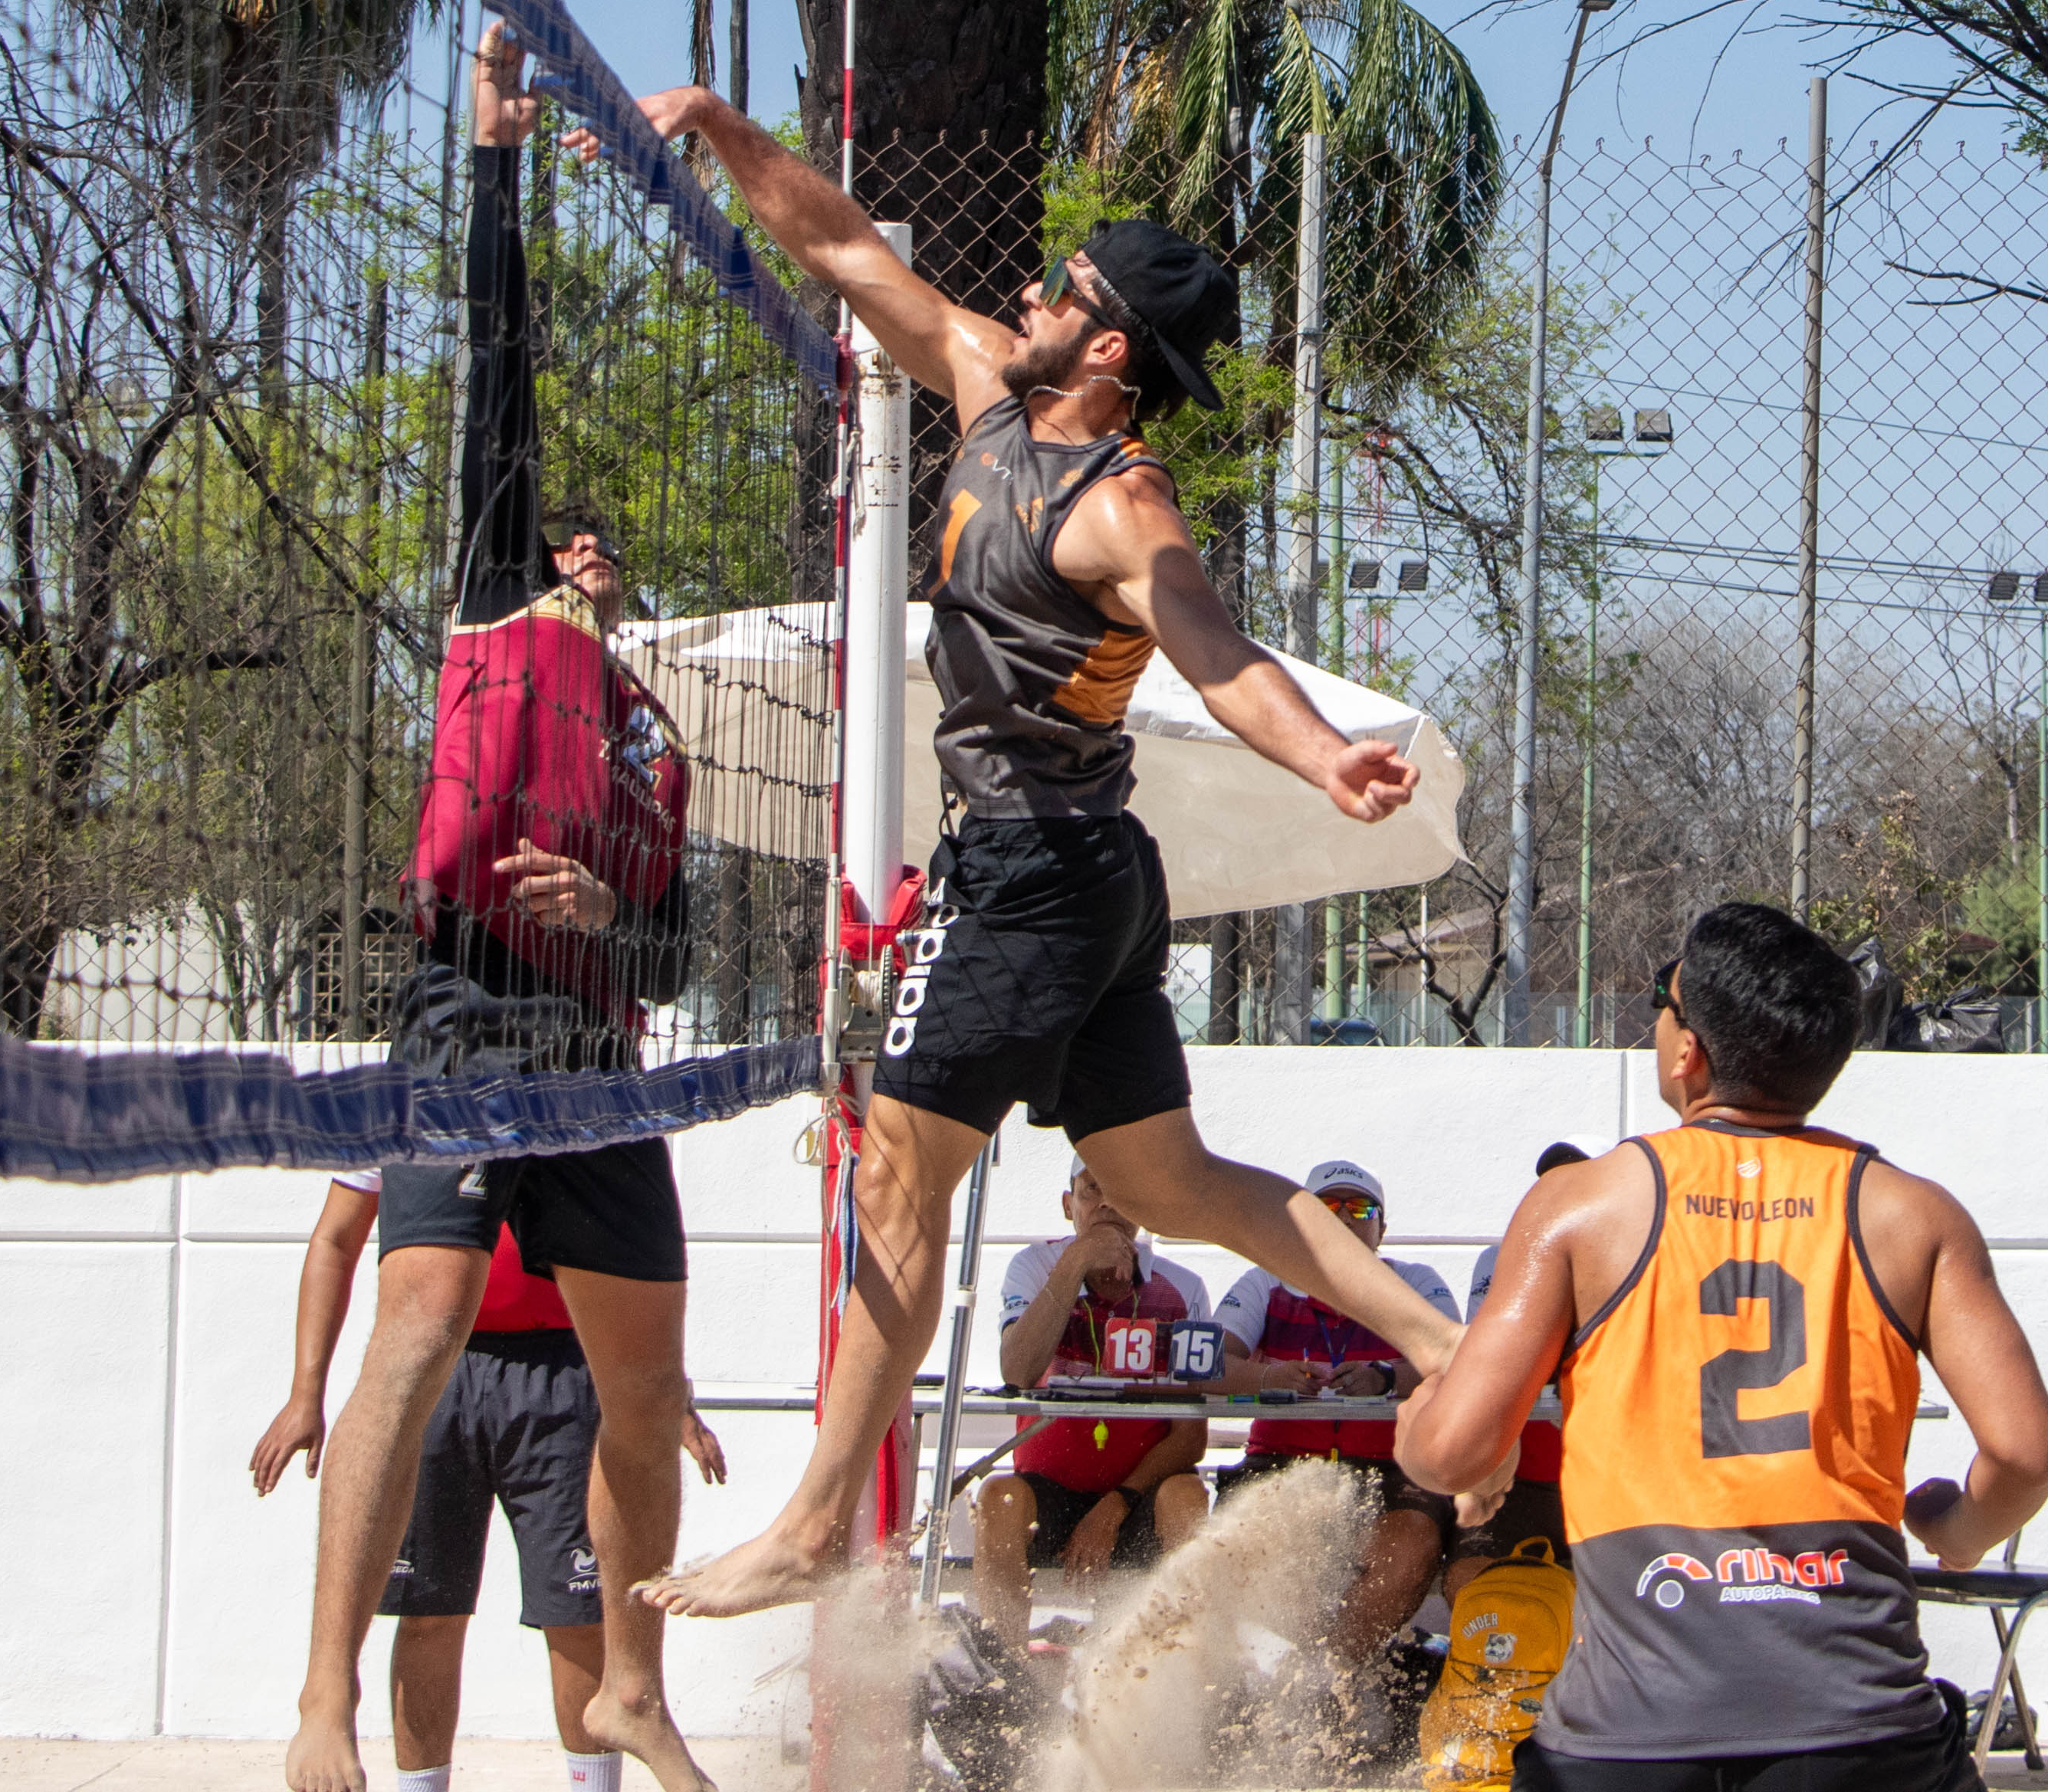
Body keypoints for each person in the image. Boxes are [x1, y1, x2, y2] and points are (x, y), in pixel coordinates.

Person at [615, 85, 1459, 1620]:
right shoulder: (989, 390)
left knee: (895, 1177)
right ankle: (1441, 1341)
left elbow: (1217, 654)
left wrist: (1327, 752)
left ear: (1112, 345)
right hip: (1086, 868)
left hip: (1031, 867)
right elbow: (847, 249)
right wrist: (730, 132)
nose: (1030, 289)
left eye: (1066, 287)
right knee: (1167, 1174)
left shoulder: (1124, 500)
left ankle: (812, 1523)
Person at [284, 25, 714, 1792]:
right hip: (463, 1014)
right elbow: (498, 368)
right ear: (535, 557)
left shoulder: (652, 730)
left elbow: (680, 947)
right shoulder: (494, 615)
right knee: (418, 1322)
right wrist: (495, 162)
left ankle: (630, 1684)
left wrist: (603, 913)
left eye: (610, 554)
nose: (589, 556)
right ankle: (323, 1697)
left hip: (597, 1044)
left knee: (645, 1383)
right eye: (571, 543)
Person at [1396, 905, 2048, 1792]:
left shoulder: (1581, 1208)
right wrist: (1956, 1527)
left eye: (1660, 1007)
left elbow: (1455, 1453)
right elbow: (2025, 1453)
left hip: (1627, 1734)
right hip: (1856, 1724)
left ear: (1689, 1053)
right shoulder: (1913, 1215)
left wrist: (1416, 1427)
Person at [254, 1175, 726, 1792]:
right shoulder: (411, 1096)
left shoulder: (575, 1097)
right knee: (427, 1609)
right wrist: (304, 1392)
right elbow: (336, 1239)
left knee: (579, 1613)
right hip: (437, 1372)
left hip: (564, 1366)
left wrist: (668, 1398)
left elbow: (633, 1267)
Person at [1209, 1159, 1466, 1702]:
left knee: (1415, 1540)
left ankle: (1316, 1684)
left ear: (1382, 1228)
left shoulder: (1415, 1281)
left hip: (1390, 1466)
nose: (1346, 1219)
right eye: (1329, 1207)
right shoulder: (1264, 1282)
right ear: (1301, 1221)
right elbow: (1209, 1365)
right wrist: (1267, 1375)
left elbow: (1456, 1359)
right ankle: (1301, 1690)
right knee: (1250, 1544)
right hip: (1282, 1462)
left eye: (1361, 1208)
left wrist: (1385, 1377)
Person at [973, 1159, 1213, 1636]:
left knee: (1188, 1495)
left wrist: (1112, 1509)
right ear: (1070, 1205)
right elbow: (1018, 1370)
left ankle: (1187, 1673)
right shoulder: (1033, 1266)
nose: (1106, 1203)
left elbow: (1190, 1440)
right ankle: (1003, 1671)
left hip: (1137, 1495)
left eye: (1122, 1191)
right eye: (1092, 1190)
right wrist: (1076, 1263)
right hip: (1049, 1490)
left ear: (1142, 1208)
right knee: (997, 1498)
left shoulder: (1184, 1288)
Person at [1445, 1136, 1613, 1604]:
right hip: (1518, 1475)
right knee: (1468, 1580)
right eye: (1550, 1186)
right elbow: (1491, 1350)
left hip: (1605, 1474)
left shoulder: (1630, 1254)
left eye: (1576, 1185)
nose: (1562, 1197)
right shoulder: (1500, 1257)